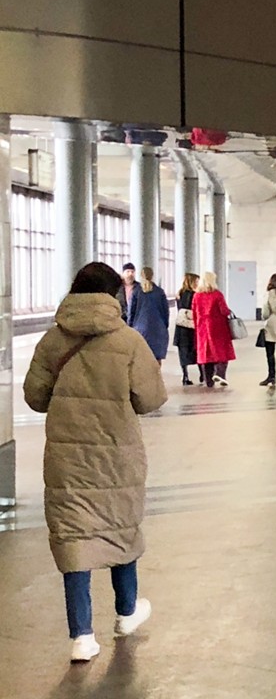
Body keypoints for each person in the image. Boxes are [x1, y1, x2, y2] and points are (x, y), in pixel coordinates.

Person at [23, 261, 167, 662]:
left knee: (74, 537)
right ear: (114, 295)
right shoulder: (129, 342)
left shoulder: (52, 341)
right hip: (116, 454)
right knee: (119, 526)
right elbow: (151, 399)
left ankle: (81, 636)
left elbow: (34, 397)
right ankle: (127, 611)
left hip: (67, 459)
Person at [191, 271, 235, 388]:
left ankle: (208, 381)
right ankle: (220, 373)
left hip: (202, 327)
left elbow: (194, 313)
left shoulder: (196, 296)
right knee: (221, 351)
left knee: (206, 354)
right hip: (218, 327)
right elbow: (224, 310)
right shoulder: (217, 294)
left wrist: (197, 326)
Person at [125, 266, 170, 363]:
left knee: (141, 358)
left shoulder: (136, 291)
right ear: (152, 276)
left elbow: (131, 312)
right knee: (157, 358)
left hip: (140, 328)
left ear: (141, 276)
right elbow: (165, 312)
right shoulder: (160, 292)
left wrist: (130, 326)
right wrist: (165, 326)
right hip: (158, 329)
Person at [173, 272, 200, 385]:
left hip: (181, 326)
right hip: (192, 326)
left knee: (183, 351)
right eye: (196, 281)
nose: (198, 283)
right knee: (196, 349)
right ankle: (202, 374)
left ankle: (185, 375)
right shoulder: (195, 295)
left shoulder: (179, 294)